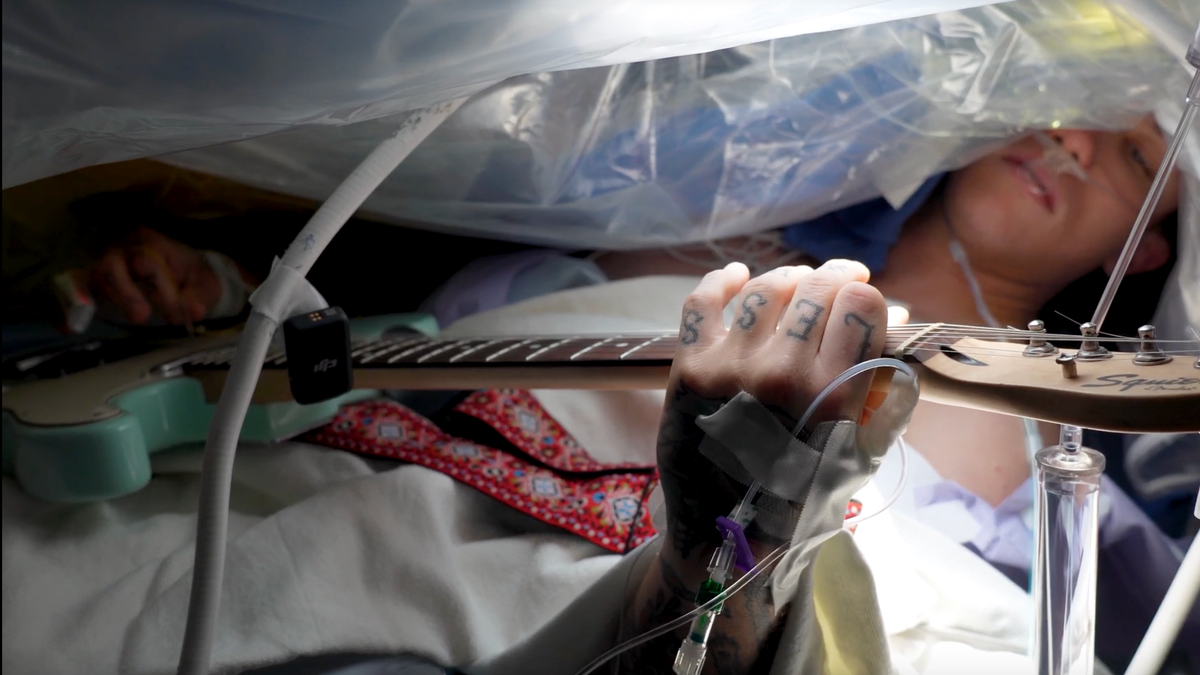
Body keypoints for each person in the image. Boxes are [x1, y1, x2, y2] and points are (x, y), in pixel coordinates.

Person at [3, 115, 1194, 673]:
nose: (1071, 143)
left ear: (1150, 250)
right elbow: (396, 332)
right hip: (289, 504)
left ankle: (715, 570)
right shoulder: (701, 230)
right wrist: (207, 294)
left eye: (1134, 153)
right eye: (1064, 106)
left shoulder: (1061, 467)